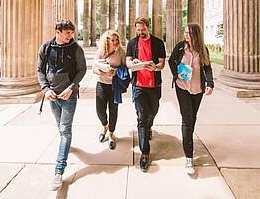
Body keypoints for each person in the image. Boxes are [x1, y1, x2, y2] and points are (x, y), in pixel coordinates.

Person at [37, 19, 87, 191]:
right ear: (58, 32)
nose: (71, 36)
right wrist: (45, 89)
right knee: (61, 128)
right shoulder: (46, 48)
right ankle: (66, 145)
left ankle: (59, 171)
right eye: (67, 33)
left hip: (69, 97)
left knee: (65, 130)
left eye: (72, 33)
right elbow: (40, 70)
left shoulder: (76, 49)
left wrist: (72, 87)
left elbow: (82, 69)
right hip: (52, 97)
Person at [168, 23, 214, 175]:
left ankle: (187, 138)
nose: (186, 35)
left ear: (196, 35)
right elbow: (171, 61)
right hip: (182, 87)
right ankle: (189, 157)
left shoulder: (203, 50)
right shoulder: (180, 47)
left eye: (189, 33)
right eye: (185, 32)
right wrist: (176, 74)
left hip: (197, 89)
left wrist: (210, 83)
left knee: (192, 118)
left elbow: (207, 67)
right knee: (187, 119)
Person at [126, 17, 166, 172]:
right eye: (138, 30)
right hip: (138, 85)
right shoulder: (132, 43)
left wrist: (155, 67)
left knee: (153, 111)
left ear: (148, 27)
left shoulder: (157, 43)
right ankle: (144, 153)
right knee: (142, 116)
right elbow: (128, 62)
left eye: (143, 29)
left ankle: (149, 127)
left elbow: (162, 63)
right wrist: (134, 63)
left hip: (154, 85)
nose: (140, 32)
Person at [92, 30, 126, 150]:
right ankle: (104, 125)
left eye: (116, 40)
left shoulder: (121, 52)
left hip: (114, 85)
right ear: (107, 40)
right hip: (102, 83)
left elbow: (124, 68)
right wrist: (103, 73)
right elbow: (94, 67)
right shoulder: (101, 51)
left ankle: (111, 134)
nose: (115, 42)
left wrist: (115, 72)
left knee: (113, 110)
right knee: (100, 110)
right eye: (112, 40)